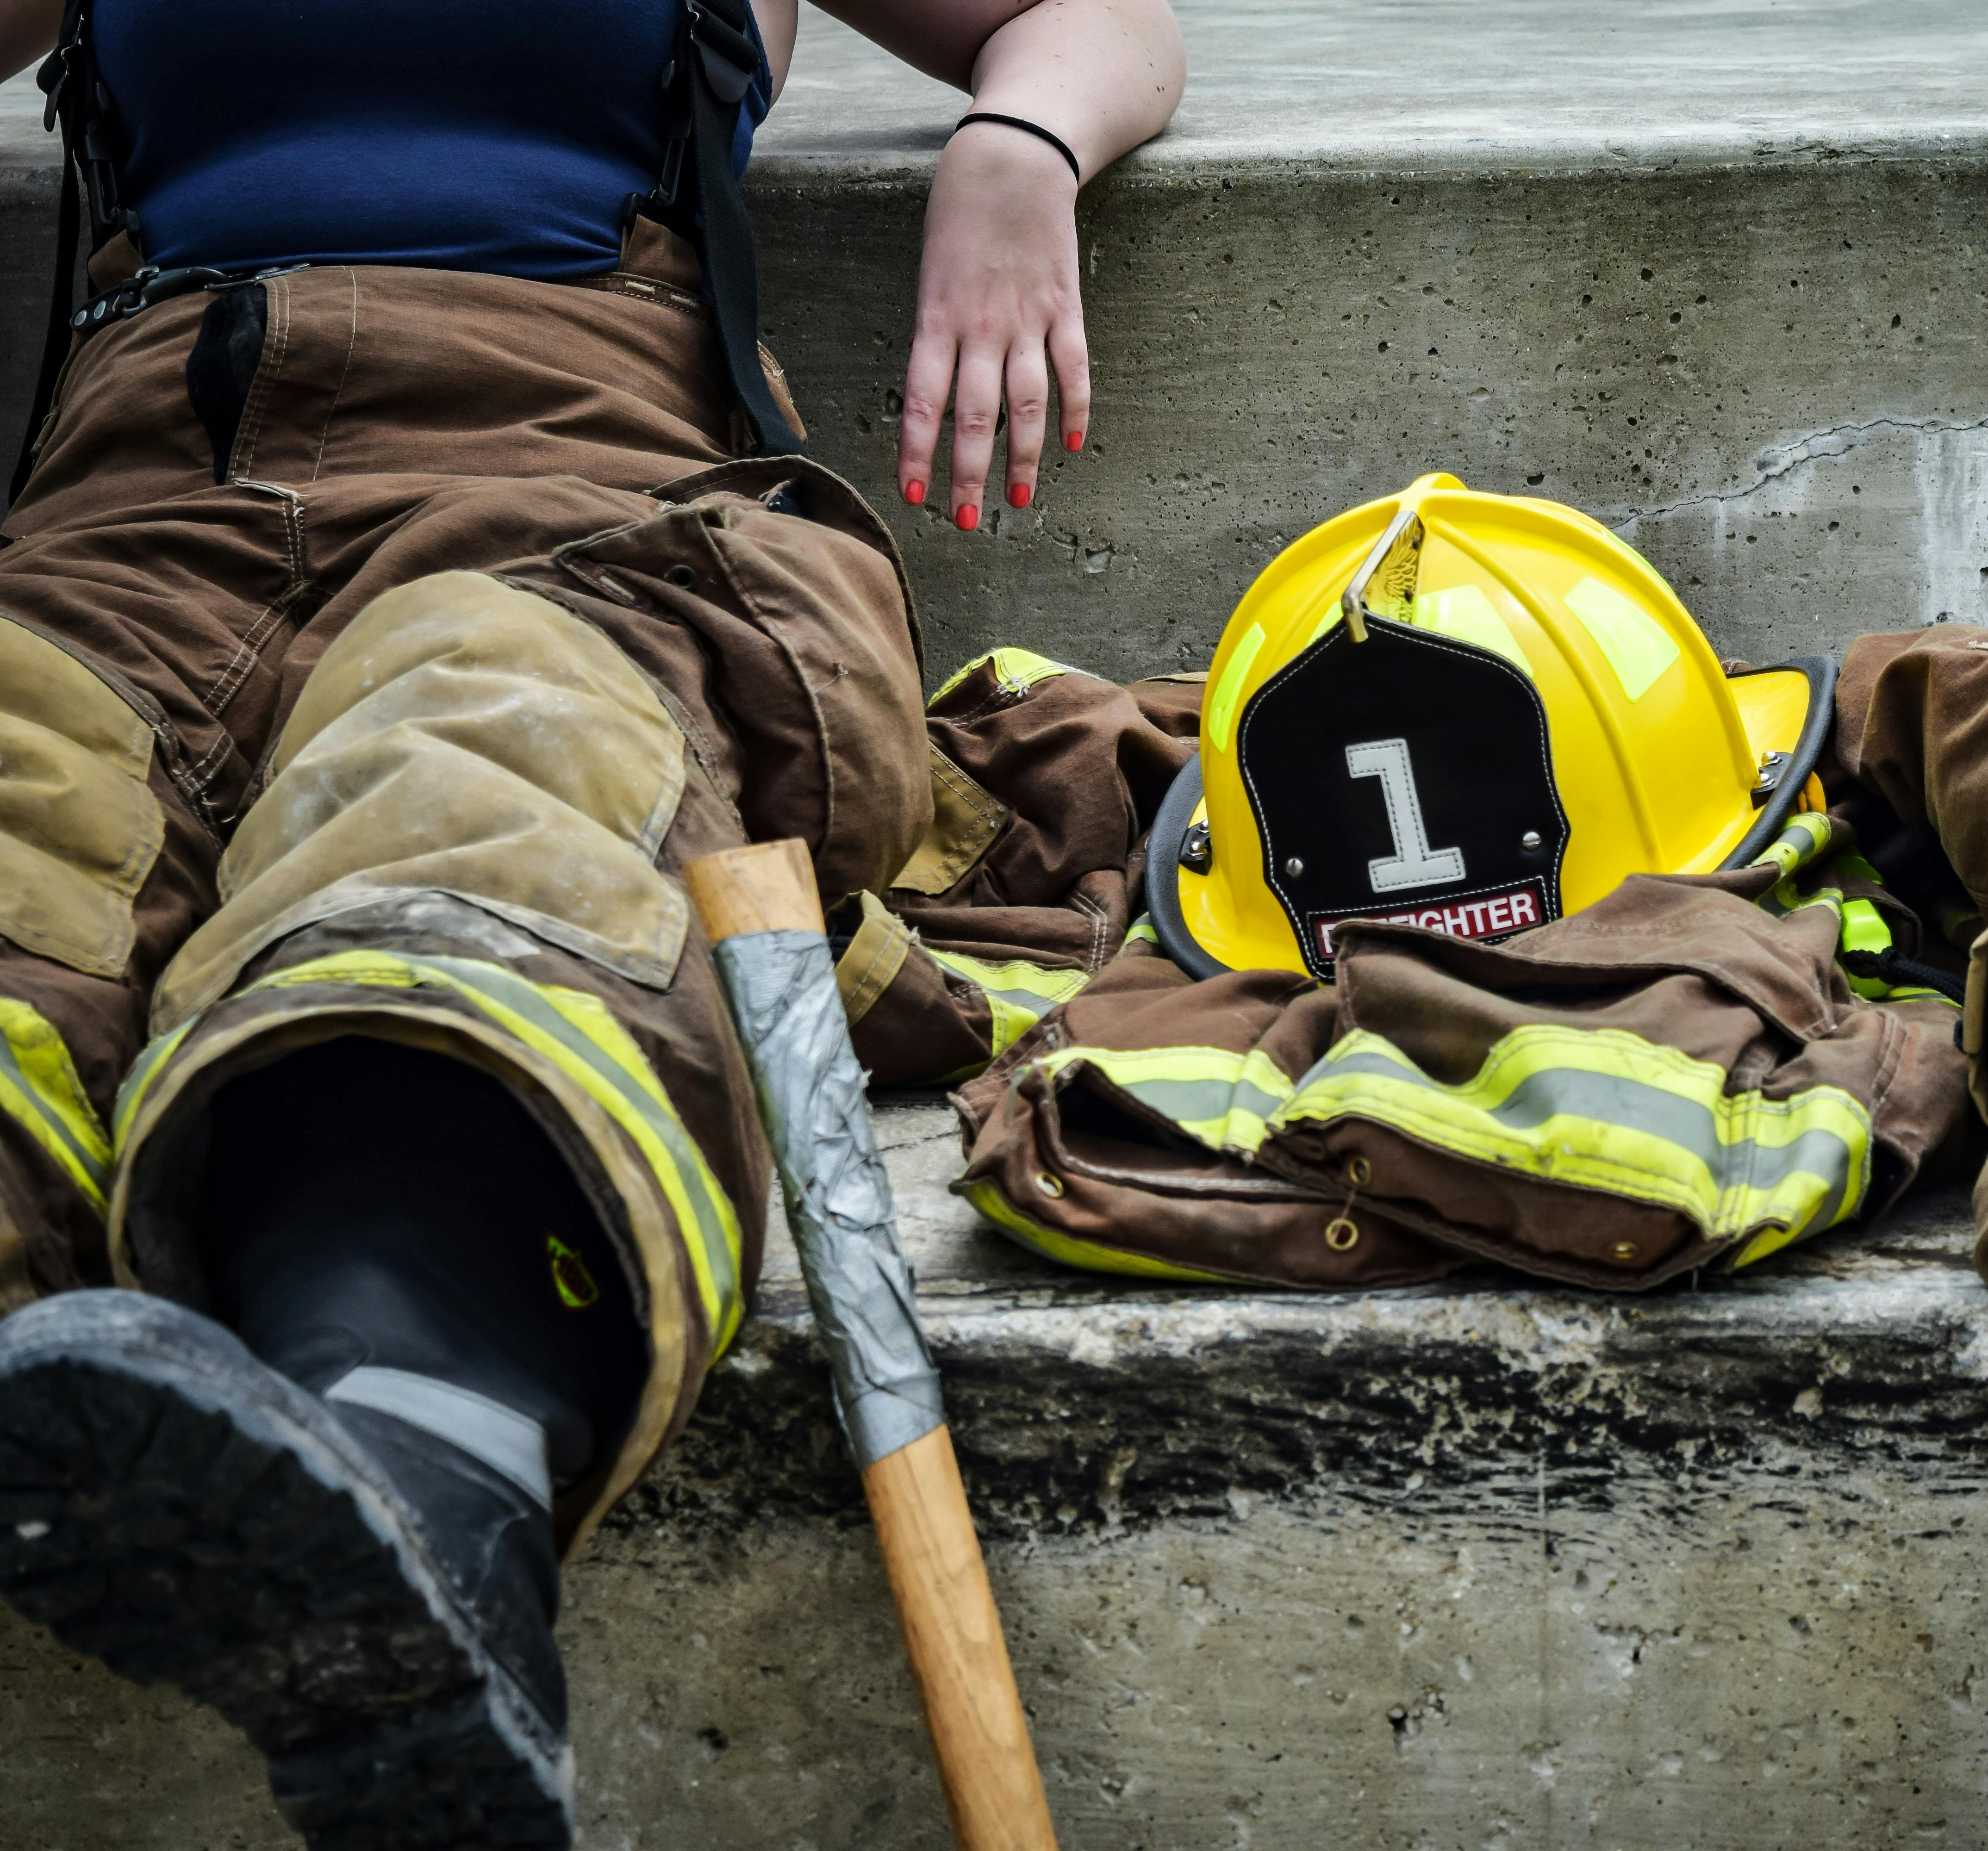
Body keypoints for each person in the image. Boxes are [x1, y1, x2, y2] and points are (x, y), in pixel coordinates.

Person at [0, 3, 1180, 1846]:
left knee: (485, 787)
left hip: (573, 491)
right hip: (137, 511)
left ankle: (417, 1477)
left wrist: (1018, 150)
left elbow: (1090, 17)